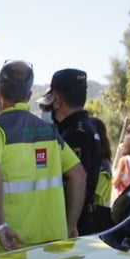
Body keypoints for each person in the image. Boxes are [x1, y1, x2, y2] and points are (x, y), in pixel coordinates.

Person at [0, 61, 85, 257]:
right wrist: (70, 226)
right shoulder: (49, 131)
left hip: (3, 245)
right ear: (29, 95)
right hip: (47, 246)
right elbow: (79, 175)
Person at [39, 68, 112, 233]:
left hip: (71, 223)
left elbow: (76, 181)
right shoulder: (86, 127)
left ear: (57, 101)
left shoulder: (75, 133)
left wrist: (69, 225)